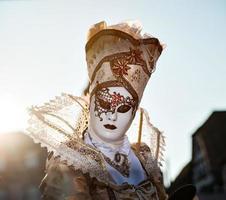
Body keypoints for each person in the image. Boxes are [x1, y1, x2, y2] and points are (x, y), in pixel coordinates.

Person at [27, 21, 168, 200]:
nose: (112, 115)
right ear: (91, 102)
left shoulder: (144, 159)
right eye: (105, 103)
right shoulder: (72, 160)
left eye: (124, 107)